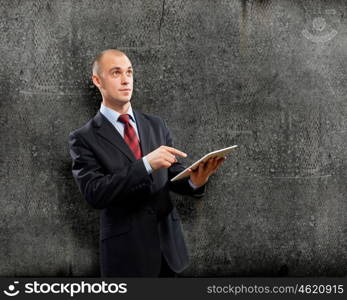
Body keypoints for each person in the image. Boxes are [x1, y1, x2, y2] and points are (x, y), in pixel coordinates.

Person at [68, 49, 225, 277]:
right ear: (97, 80)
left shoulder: (155, 124)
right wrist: (145, 165)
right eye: (116, 73)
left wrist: (194, 181)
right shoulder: (83, 138)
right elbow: (95, 193)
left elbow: (171, 172)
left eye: (129, 72)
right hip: (126, 256)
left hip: (170, 251)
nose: (125, 80)